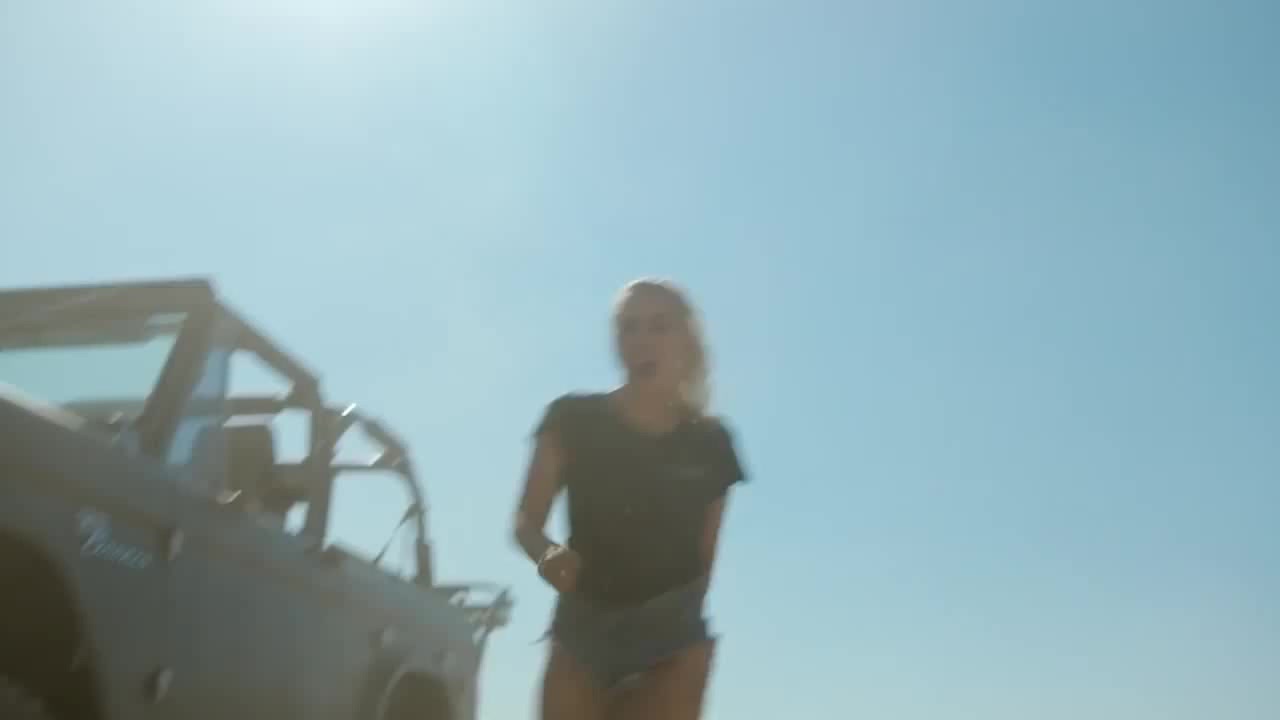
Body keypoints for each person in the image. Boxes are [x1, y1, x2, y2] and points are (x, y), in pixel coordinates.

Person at [512, 278, 748, 720]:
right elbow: (526, 521)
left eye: (658, 326)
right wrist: (546, 553)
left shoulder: (713, 443)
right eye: (629, 327)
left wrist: (684, 650)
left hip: (671, 634)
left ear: (686, 341)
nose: (641, 340)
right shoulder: (571, 419)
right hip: (582, 621)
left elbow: (705, 559)